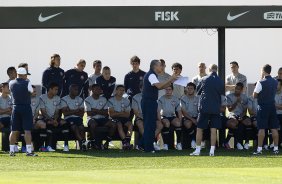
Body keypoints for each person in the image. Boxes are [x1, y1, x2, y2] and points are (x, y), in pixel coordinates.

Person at [138, 60, 178, 153]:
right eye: (161, 66)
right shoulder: (151, 75)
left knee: (151, 124)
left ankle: (142, 144)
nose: (162, 67)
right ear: (155, 66)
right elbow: (159, 86)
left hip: (151, 102)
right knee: (149, 125)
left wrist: (172, 80)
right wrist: (171, 78)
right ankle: (148, 148)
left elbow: (162, 86)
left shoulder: (153, 75)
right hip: (149, 102)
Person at [190, 64, 224, 156]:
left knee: (200, 128)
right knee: (213, 129)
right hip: (215, 108)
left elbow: (198, 92)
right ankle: (212, 151)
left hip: (204, 107)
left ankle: (197, 150)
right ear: (216, 70)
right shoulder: (220, 81)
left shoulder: (204, 79)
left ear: (209, 69)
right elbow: (221, 92)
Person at [9, 67, 37, 156]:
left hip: (15, 108)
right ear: (24, 75)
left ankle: (12, 151)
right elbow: (32, 92)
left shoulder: (11, 83)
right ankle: (28, 151)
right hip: (25, 108)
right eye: (26, 75)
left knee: (13, 130)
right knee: (27, 130)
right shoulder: (27, 83)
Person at [253, 64, 279, 155]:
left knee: (261, 128)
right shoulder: (275, 81)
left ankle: (259, 150)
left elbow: (254, 95)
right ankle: (276, 148)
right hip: (272, 106)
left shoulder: (261, 82)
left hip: (263, 106)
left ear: (263, 71)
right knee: (274, 128)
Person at [85, 84, 116, 150]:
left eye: (99, 89)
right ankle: (94, 142)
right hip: (92, 119)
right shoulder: (87, 100)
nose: (99, 90)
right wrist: (100, 111)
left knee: (113, 124)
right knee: (93, 124)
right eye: (96, 89)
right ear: (92, 90)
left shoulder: (104, 99)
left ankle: (107, 142)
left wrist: (95, 110)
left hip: (102, 118)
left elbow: (105, 112)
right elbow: (89, 113)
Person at [40, 82, 69, 152]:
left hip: (54, 118)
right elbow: (43, 112)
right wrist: (51, 120)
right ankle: (48, 146)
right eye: (55, 89)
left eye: (57, 90)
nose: (57, 91)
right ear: (50, 89)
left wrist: (55, 119)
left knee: (64, 123)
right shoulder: (42, 98)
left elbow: (57, 111)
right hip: (45, 118)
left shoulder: (57, 98)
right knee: (49, 124)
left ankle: (66, 145)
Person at [61, 84, 87, 151]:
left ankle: (82, 146)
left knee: (82, 128)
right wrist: (76, 110)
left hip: (78, 119)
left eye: (77, 90)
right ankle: (82, 141)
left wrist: (71, 111)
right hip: (69, 119)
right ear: (70, 90)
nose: (77, 91)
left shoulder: (80, 99)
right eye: (75, 90)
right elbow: (65, 113)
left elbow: (81, 114)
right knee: (74, 127)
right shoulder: (64, 99)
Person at [225, 82, 250, 150]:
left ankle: (247, 143)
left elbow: (245, 110)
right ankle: (235, 142)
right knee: (233, 124)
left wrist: (241, 116)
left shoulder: (245, 97)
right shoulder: (229, 96)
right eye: (236, 88)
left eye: (238, 89)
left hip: (242, 115)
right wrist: (236, 102)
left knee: (248, 123)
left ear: (242, 90)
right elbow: (230, 109)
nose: (236, 90)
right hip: (233, 115)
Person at [158, 85, 183, 150]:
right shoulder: (161, 99)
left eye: (169, 90)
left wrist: (180, 121)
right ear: (164, 90)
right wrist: (159, 120)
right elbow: (158, 111)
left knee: (178, 123)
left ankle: (178, 143)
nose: (168, 91)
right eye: (166, 90)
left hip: (172, 116)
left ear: (172, 91)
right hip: (164, 116)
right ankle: (165, 144)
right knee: (167, 123)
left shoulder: (175, 99)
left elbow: (179, 111)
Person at [108, 85, 132, 150]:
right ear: (116, 90)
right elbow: (111, 115)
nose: (121, 92)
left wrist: (117, 113)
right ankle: (124, 142)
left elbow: (127, 115)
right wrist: (122, 113)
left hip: (123, 118)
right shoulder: (111, 100)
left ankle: (127, 140)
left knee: (130, 125)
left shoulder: (126, 101)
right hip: (114, 119)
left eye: (123, 90)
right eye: (119, 90)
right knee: (119, 124)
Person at [180, 82, 199, 149]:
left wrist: (198, 119)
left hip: (197, 116)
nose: (190, 90)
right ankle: (193, 140)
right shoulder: (183, 99)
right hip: (187, 117)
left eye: (191, 88)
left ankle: (201, 142)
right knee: (188, 123)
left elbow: (200, 110)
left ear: (194, 90)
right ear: (186, 89)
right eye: (188, 88)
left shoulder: (198, 99)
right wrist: (192, 119)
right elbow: (184, 113)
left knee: (202, 123)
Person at [275, 79, 282, 146]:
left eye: (277, 84)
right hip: (274, 115)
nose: (276, 86)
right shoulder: (272, 94)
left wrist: (275, 105)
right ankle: (274, 144)